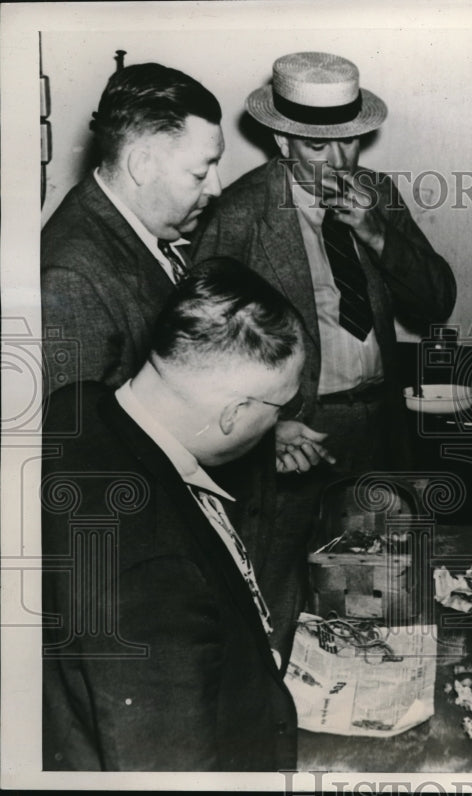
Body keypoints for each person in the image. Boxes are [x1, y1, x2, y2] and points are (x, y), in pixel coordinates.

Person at [193, 51, 456, 645]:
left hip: (379, 425)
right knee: (282, 603)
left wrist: (376, 233)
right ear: (284, 140)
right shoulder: (240, 215)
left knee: (383, 600)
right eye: (318, 147)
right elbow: (201, 351)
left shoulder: (376, 196)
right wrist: (270, 426)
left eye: (350, 142)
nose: (338, 162)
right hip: (294, 440)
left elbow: (436, 302)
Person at [42, 258, 304, 771]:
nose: (281, 424)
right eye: (282, 409)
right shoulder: (159, 580)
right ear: (233, 415)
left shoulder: (78, 406)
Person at [41, 62, 224, 393]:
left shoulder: (146, 225)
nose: (216, 187)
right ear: (141, 165)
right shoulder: (70, 280)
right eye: (200, 173)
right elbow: (81, 438)